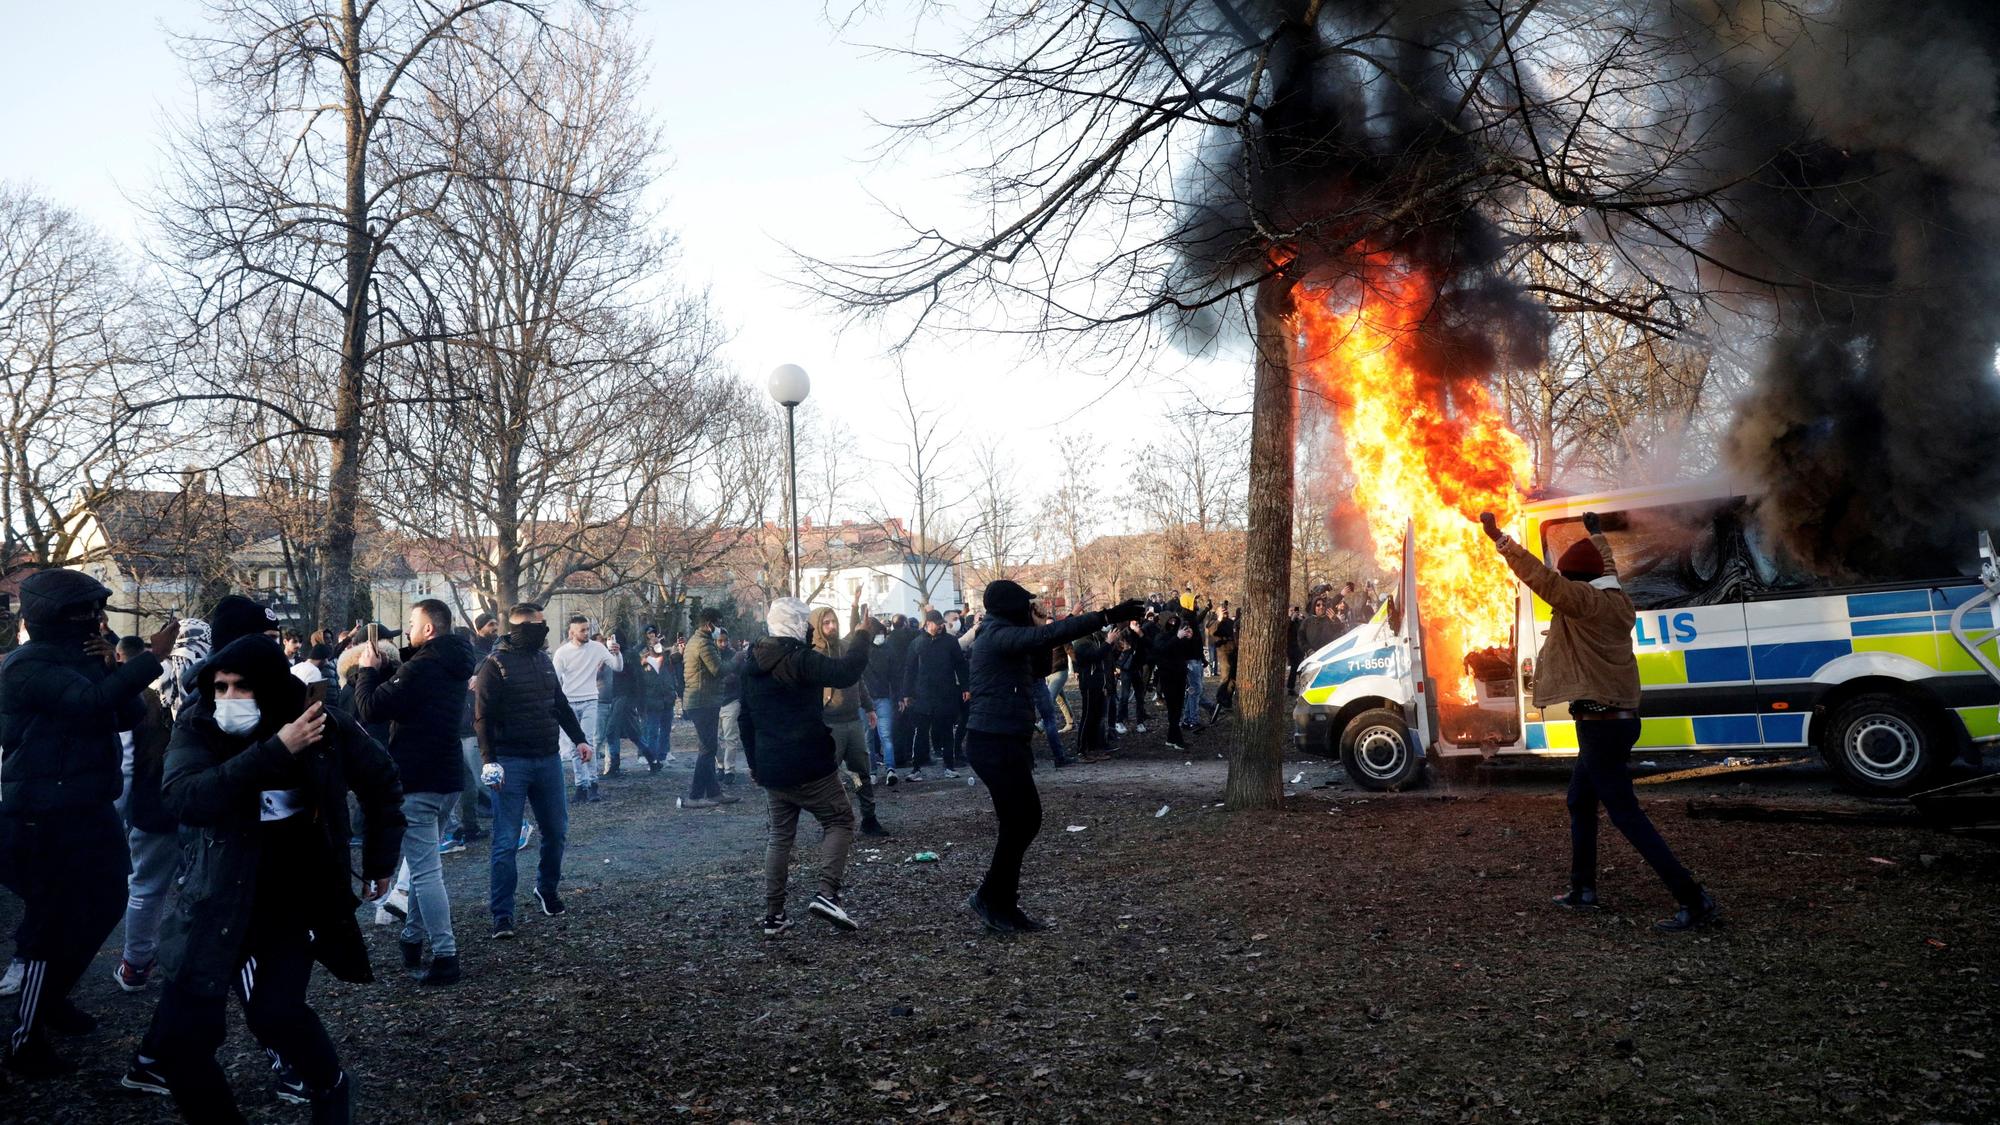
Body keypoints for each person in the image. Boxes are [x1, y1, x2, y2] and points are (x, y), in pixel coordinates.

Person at [131, 634, 403, 1122]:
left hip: (289, 899)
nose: (229, 699)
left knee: (276, 1015)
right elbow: (186, 798)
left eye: (243, 688)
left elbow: (382, 782)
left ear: (273, 688)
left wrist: (380, 862)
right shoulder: (197, 725)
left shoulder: (324, 726)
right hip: (212, 898)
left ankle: (330, 1088)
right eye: (221, 687)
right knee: (179, 1046)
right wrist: (275, 750)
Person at [1481, 510, 1718, 932]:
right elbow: (1606, 566)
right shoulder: (1616, 599)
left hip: (1601, 725)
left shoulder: (1585, 603)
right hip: (1618, 720)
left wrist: (1502, 540)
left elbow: (1543, 579)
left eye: (1572, 579)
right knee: (1580, 800)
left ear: (1579, 584)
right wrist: (1596, 535)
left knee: (1625, 814)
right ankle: (1583, 889)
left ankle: (1692, 897)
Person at [0, 569, 174, 1077]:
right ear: (60, 615)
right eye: (90, 612)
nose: (100, 621)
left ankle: (52, 997)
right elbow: (86, 705)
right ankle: (25, 1037)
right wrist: (149, 659)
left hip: (88, 806)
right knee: (50, 923)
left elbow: (121, 717)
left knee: (105, 903)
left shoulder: (81, 660)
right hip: (41, 816)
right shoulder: (26, 665)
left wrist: (109, 670)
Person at [962, 581, 1145, 933]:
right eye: (1027, 606)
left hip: (1004, 741)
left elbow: (1040, 665)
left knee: (1022, 821)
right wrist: (1104, 616)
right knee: (1023, 820)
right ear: (1011, 608)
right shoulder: (996, 634)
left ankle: (997, 900)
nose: (1032, 612)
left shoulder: (1007, 635)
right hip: (992, 742)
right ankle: (992, 899)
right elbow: (1040, 640)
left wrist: (1044, 629)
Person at [353, 598, 478, 986]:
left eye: (411, 624)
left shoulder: (423, 666)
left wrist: (366, 671)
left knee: (425, 873)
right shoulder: (453, 660)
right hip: (446, 777)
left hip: (418, 778)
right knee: (427, 867)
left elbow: (370, 708)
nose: (406, 630)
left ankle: (446, 955)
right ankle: (411, 938)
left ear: (429, 629)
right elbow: (415, 681)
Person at [740, 598, 876, 935]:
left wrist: (756, 764)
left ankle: (774, 916)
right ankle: (827, 893)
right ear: (799, 625)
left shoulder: (751, 662)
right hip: (808, 761)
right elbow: (845, 673)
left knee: (780, 836)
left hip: (772, 766)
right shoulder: (800, 659)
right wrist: (862, 634)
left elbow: (745, 719)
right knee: (840, 820)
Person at [475, 604, 590, 937]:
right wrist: (489, 760)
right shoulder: (493, 665)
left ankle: (546, 888)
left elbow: (559, 703)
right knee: (506, 841)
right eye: (539, 625)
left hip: (548, 759)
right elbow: (482, 716)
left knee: (556, 831)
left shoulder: (543, 660)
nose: (545, 630)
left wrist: (579, 739)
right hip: (510, 763)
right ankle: (502, 913)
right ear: (521, 627)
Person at [113, 635, 177, 993]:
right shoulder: (211, 694)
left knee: (146, 888)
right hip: (201, 808)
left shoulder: (142, 701)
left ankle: (136, 963)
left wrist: (119, 818)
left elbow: (125, 765)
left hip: (153, 808)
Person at [811, 606, 888, 836]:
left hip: (853, 720)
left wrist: (869, 707)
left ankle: (869, 818)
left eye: (833, 621)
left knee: (861, 771)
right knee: (826, 777)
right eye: (826, 622)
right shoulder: (812, 654)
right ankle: (831, 825)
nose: (832, 626)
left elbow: (858, 679)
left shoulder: (846, 648)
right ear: (817, 626)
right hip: (828, 723)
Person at [551, 615, 621, 804]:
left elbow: (617, 666)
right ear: (571, 632)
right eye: (582, 630)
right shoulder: (562, 652)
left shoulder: (597, 648)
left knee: (588, 742)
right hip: (569, 702)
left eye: (587, 629)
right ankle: (581, 785)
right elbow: (555, 679)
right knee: (576, 746)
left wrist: (616, 653)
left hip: (590, 699)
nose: (586, 633)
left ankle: (593, 784)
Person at [679, 608, 739, 809]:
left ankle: (714, 792)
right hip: (703, 701)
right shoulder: (704, 643)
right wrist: (737, 660)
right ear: (709, 624)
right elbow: (718, 670)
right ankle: (695, 796)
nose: (720, 628)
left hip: (701, 701)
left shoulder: (695, 641)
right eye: (718, 623)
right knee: (707, 749)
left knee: (709, 747)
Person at [901, 610, 968, 780]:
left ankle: (949, 766)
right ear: (927, 624)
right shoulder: (916, 643)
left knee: (946, 731)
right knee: (921, 732)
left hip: (946, 693)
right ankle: (916, 768)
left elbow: (960, 665)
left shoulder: (950, 642)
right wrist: (907, 693)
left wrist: (965, 687)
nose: (939, 626)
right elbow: (910, 669)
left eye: (940, 623)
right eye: (936, 623)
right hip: (922, 695)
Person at [718, 632, 747, 784]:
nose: (723, 644)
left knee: (730, 737)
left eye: (725, 641)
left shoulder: (735, 655)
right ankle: (720, 765)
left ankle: (729, 769)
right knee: (714, 738)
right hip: (714, 701)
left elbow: (742, 675)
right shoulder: (710, 655)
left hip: (731, 700)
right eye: (720, 641)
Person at [1209, 607, 1239, 721]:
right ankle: (1219, 700)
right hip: (1223, 651)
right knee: (1225, 677)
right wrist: (1219, 619)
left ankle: (1227, 700)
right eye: (1223, 611)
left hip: (1234, 650)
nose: (1225, 613)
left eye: (1226, 611)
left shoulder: (1231, 622)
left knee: (1233, 678)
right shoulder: (1214, 622)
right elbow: (1212, 631)